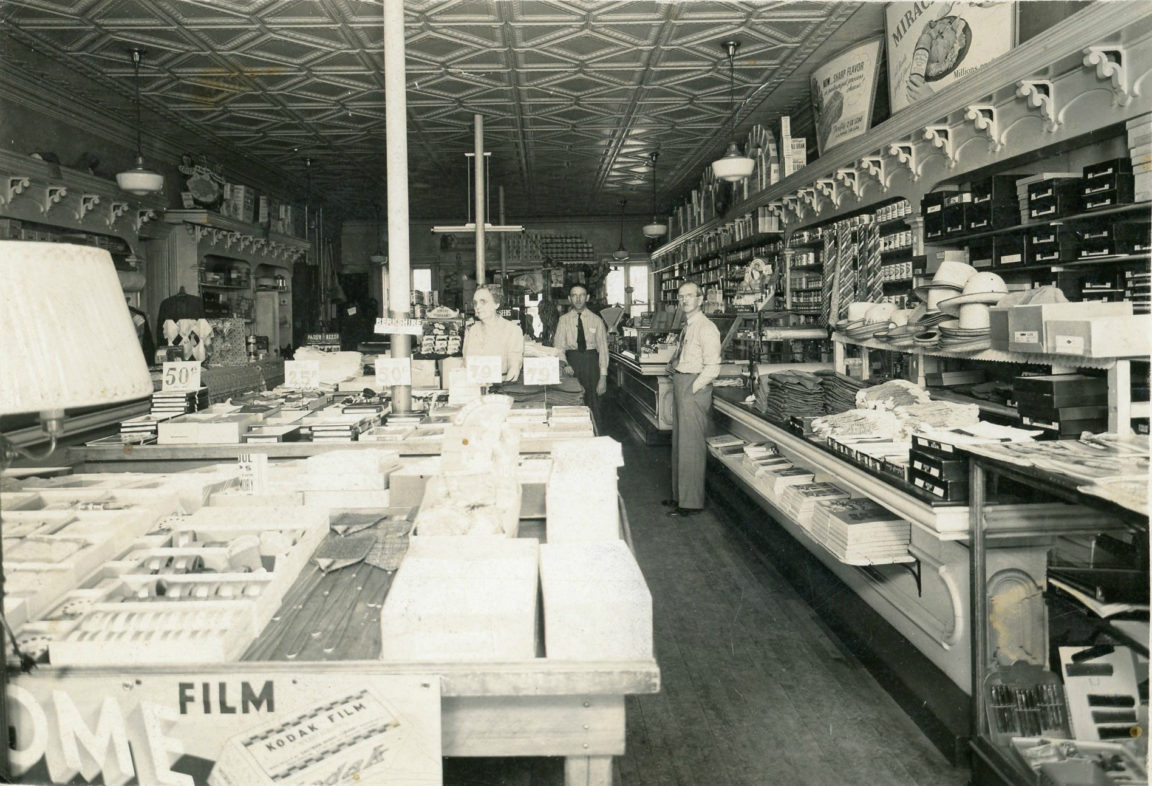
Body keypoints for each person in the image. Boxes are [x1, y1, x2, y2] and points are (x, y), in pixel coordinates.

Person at [663, 281, 721, 518]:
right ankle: (680, 496)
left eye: (689, 296)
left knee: (691, 446)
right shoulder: (688, 325)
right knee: (679, 442)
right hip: (682, 381)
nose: (684, 300)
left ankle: (690, 502)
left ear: (700, 299)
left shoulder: (707, 328)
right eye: (681, 296)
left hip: (692, 385)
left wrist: (692, 389)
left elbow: (713, 367)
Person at [553, 285, 608, 428]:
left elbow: (603, 349)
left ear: (587, 297)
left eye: (582, 295)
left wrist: (603, 378)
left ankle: (594, 439)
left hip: (592, 364)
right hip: (571, 364)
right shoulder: (563, 320)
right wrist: (565, 364)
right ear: (569, 298)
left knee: (593, 403)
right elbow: (558, 347)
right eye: (574, 295)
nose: (578, 299)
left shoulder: (596, 320)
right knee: (571, 400)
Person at [463, 285, 524, 383]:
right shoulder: (471, 330)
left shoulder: (512, 330)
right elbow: (465, 364)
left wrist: (501, 392)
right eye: (475, 303)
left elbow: (514, 367)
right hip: (473, 389)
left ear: (497, 304)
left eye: (483, 302)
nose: (478, 307)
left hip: (499, 390)